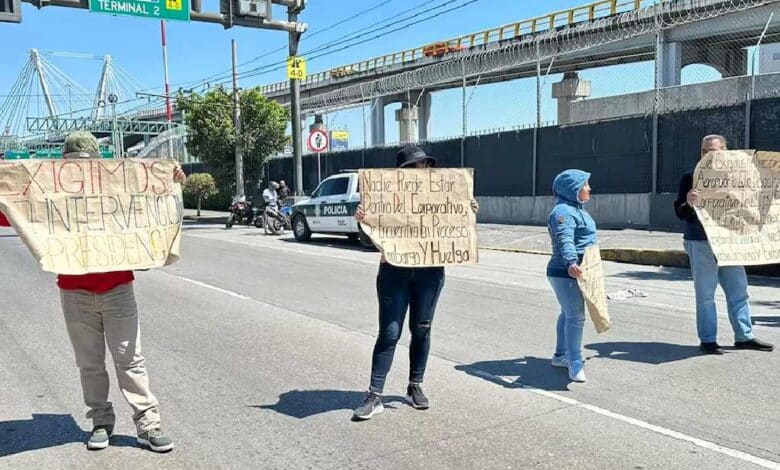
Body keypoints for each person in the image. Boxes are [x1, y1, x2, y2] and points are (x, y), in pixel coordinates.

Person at [0, 131, 185, 452]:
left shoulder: (115, 188)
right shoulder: (51, 194)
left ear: (98, 164)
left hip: (118, 290)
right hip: (74, 292)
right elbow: (12, 212)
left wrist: (172, 181)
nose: (80, 170)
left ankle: (148, 423)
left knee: (131, 361)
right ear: (63, 165)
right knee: (90, 363)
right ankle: (101, 422)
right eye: (74, 164)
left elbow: (153, 203)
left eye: (86, 164)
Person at [352, 145, 479, 420]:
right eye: (417, 166)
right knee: (389, 333)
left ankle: (415, 386)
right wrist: (363, 222)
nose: (423, 170)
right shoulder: (383, 196)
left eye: (426, 165)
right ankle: (375, 394)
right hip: (394, 272)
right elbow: (367, 241)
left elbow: (455, 231)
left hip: (429, 273)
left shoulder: (442, 195)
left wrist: (466, 212)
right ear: (403, 173)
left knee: (422, 329)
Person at [674, 134, 774, 355]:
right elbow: (680, 212)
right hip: (700, 242)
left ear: (725, 152)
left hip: (730, 244)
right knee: (705, 294)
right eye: (704, 151)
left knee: (738, 290)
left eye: (713, 150)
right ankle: (708, 340)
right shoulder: (690, 178)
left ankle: (744, 336)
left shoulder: (738, 177)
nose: (708, 155)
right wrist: (688, 203)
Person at [546, 169, 597, 383]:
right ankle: (575, 363)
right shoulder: (563, 212)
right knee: (576, 317)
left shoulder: (576, 209)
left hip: (576, 270)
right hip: (566, 272)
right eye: (585, 184)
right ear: (573, 188)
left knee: (567, 314)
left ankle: (560, 356)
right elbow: (564, 239)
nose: (589, 188)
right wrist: (571, 263)